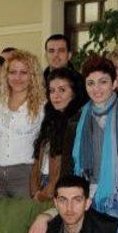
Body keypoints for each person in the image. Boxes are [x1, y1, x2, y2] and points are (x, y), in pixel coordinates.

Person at [69, 55, 118, 233]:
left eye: (103, 82)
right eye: (90, 83)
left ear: (114, 84)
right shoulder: (78, 119)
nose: (96, 89)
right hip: (85, 196)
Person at [0, 49, 44, 197]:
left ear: (33, 75)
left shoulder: (42, 106)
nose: (17, 78)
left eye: (23, 72)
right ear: (6, 75)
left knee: (24, 213)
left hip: (26, 174)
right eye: (13, 72)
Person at [30, 66, 83, 202]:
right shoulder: (50, 118)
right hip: (42, 184)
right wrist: (35, 190)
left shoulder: (77, 124)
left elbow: (65, 170)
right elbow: (37, 158)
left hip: (62, 190)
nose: (56, 95)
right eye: (52, 91)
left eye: (62, 90)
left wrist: (43, 194)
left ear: (74, 93)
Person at [43, 34, 87, 105]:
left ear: (69, 55)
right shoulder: (38, 82)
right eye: (51, 51)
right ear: (46, 55)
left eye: (61, 50)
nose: (56, 55)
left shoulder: (81, 83)